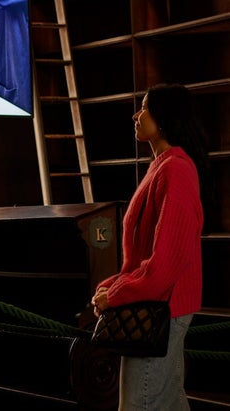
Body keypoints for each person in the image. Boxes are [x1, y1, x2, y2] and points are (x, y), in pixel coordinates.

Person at [92, 83, 211, 410]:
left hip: (161, 308)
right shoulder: (163, 165)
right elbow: (144, 258)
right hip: (159, 305)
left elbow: (164, 266)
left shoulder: (176, 170)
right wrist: (113, 285)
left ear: (164, 120)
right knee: (168, 402)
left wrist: (115, 295)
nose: (136, 114)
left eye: (144, 107)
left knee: (139, 404)